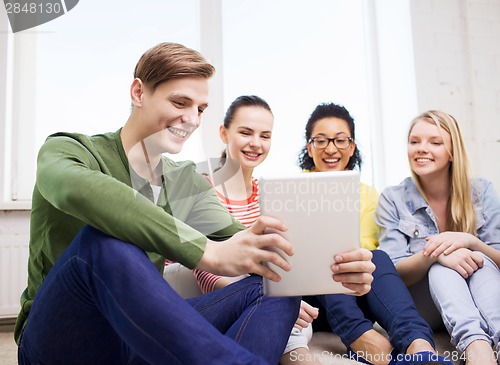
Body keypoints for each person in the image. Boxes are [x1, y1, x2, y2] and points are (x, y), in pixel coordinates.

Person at [15, 42, 374, 365]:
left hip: (134, 342)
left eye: (200, 108)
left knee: (269, 283)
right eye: (179, 102)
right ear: (139, 92)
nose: (192, 119)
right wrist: (206, 251)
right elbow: (78, 191)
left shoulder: (183, 180)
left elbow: (251, 245)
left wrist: (336, 270)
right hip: (59, 342)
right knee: (105, 241)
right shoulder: (69, 151)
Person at [297, 103, 454, 365]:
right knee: (328, 254)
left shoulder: (369, 194)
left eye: (340, 140)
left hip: (356, 292)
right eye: (321, 140)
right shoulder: (291, 192)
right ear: (309, 147)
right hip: (316, 302)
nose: (331, 148)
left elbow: (369, 259)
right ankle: (360, 336)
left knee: (377, 256)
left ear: (352, 146)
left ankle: (419, 345)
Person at [190, 94, 325, 365]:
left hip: (270, 298)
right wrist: (253, 298)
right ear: (223, 133)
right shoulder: (201, 190)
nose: (256, 143)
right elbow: (202, 267)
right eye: (245, 132)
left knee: (289, 309)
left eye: (265, 136)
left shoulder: (272, 194)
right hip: (218, 298)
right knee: (281, 308)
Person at [375, 110, 500, 365]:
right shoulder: (393, 198)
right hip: (426, 304)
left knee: (480, 258)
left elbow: (497, 258)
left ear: (453, 151)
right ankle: (476, 347)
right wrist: (436, 255)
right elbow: (393, 272)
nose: (422, 149)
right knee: (441, 267)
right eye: (414, 141)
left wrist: (471, 242)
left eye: (435, 142)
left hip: (481, 293)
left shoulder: (482, 191)